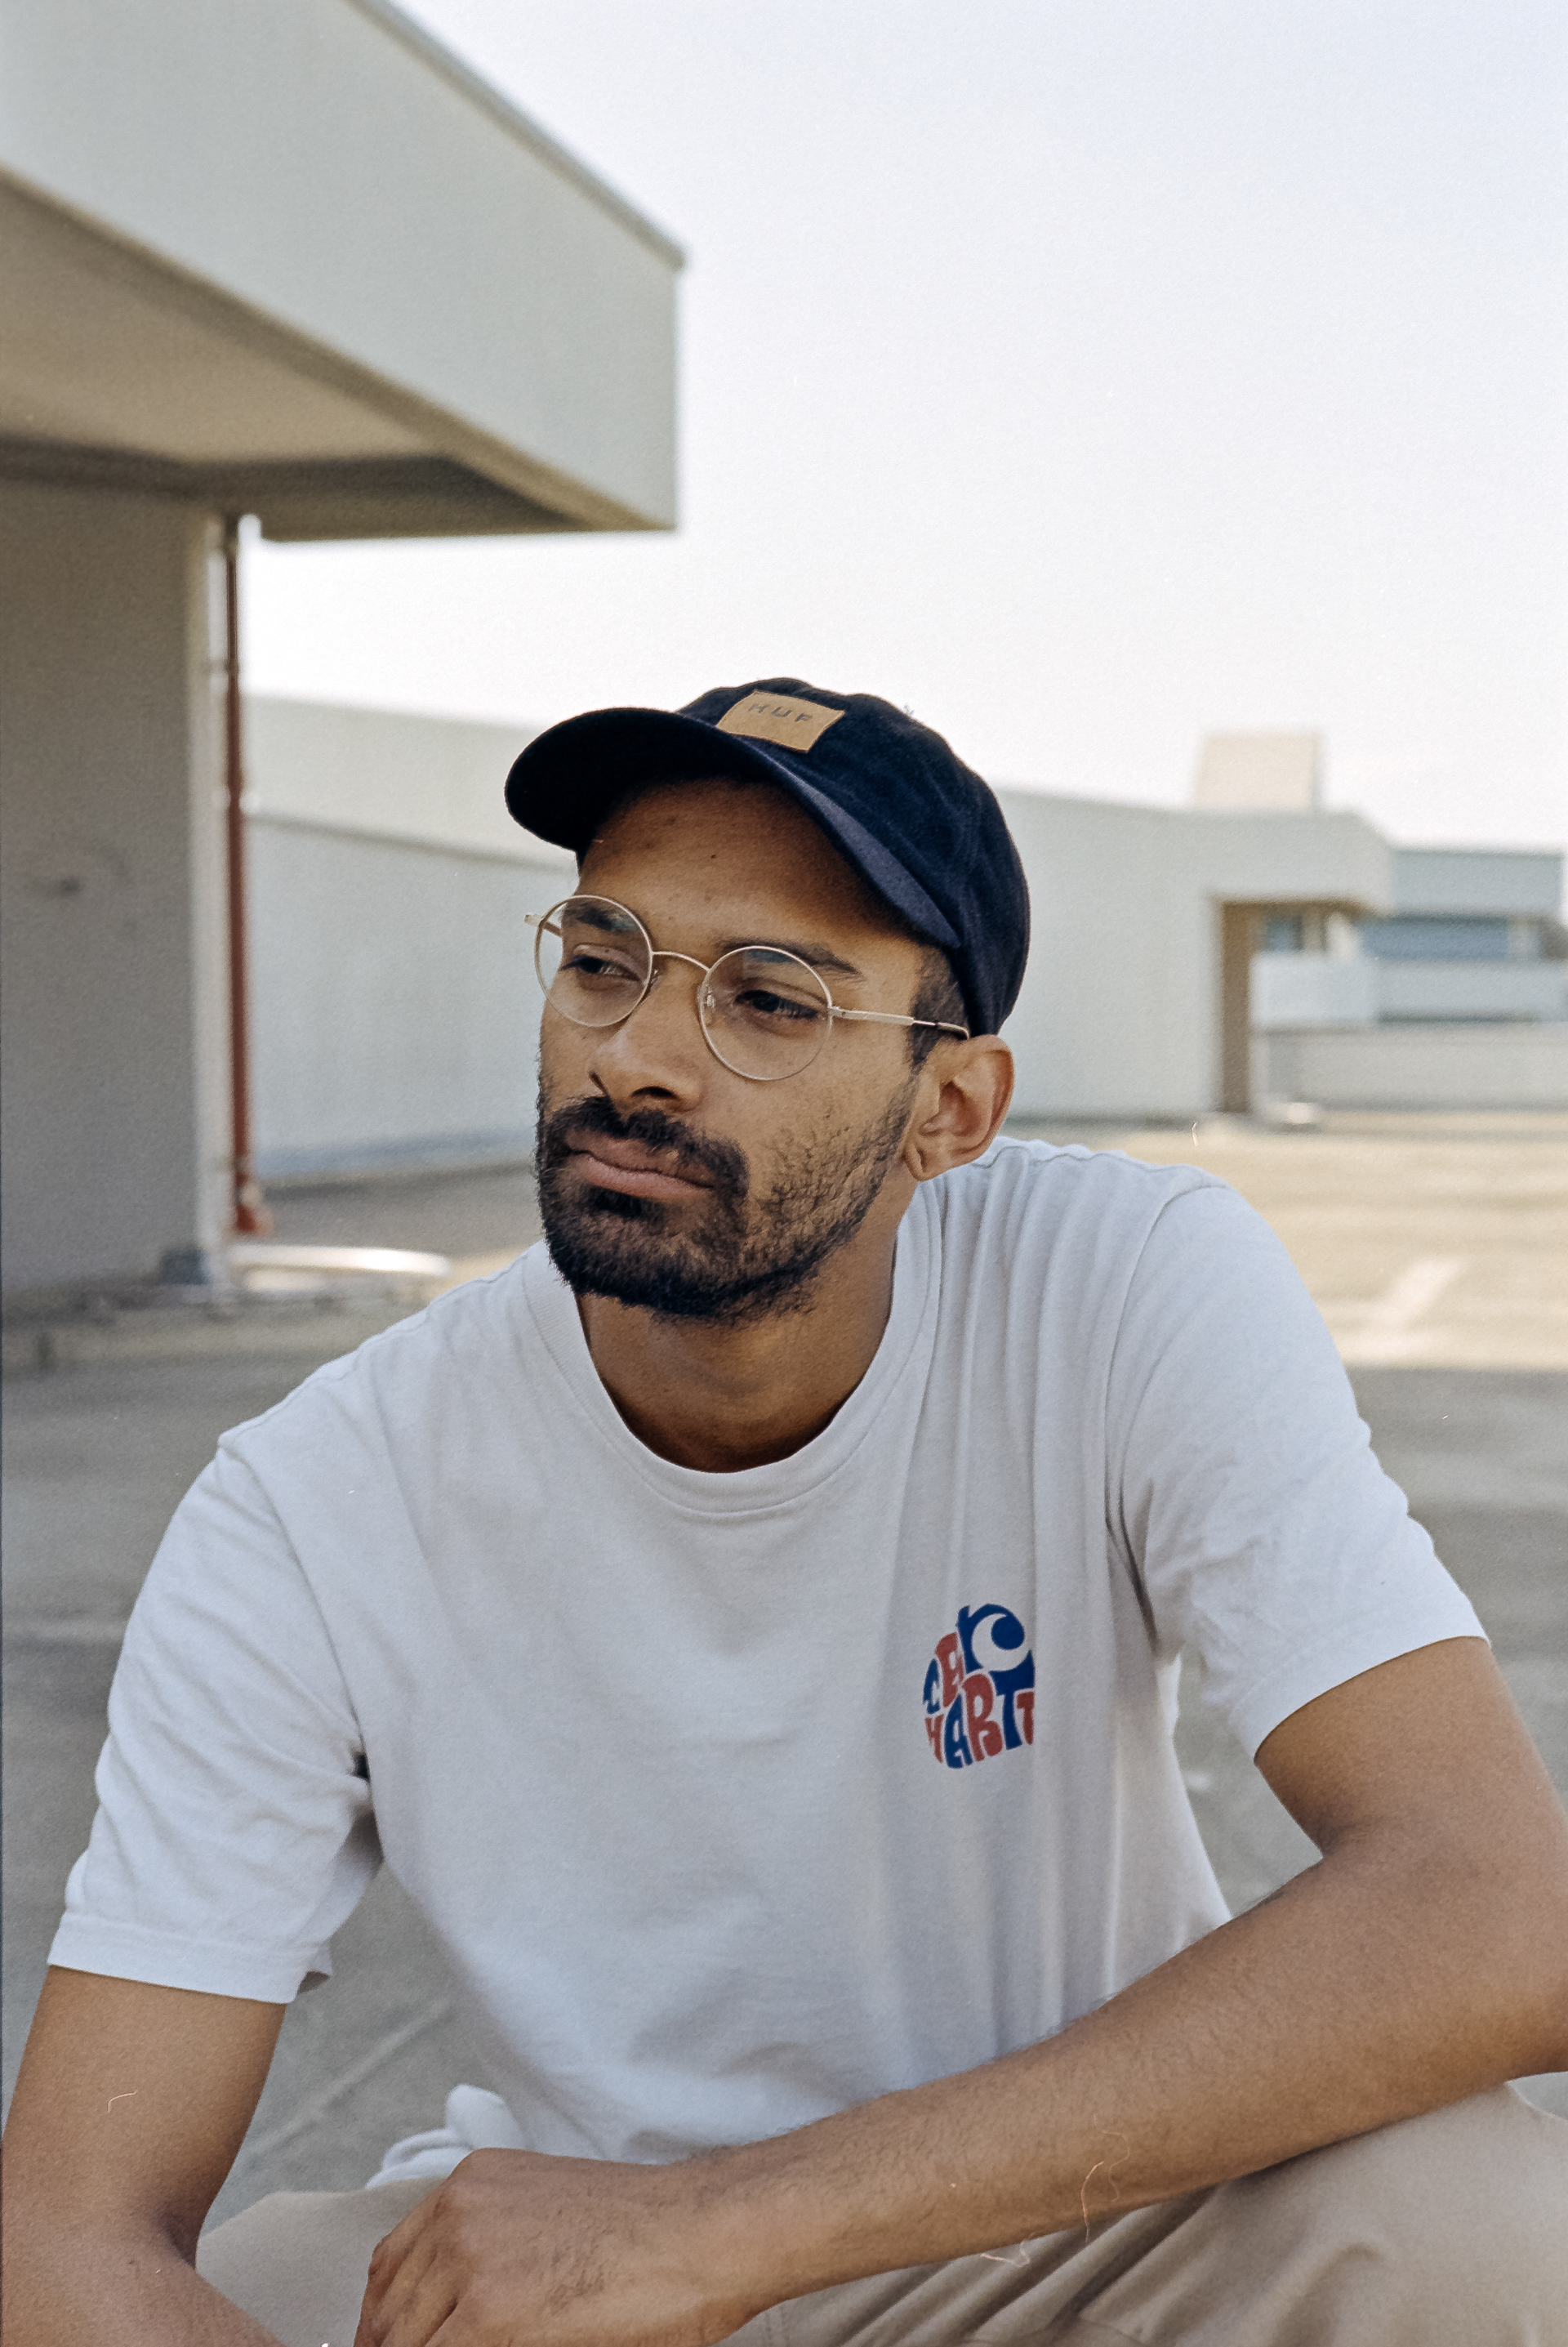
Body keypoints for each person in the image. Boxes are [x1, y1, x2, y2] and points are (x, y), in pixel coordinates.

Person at [5, 680, 1566, 2347]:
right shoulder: (321, 1499)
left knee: (1486, 2223)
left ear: (950, 1111)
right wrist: (645, 2249)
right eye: (601, 959)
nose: (636, 1056)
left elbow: (1499, 1903)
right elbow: (71, 2228)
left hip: (1072, 2227)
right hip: (576, 2283)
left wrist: (726, 2226)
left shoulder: (1121, 1291)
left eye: (768, 999)